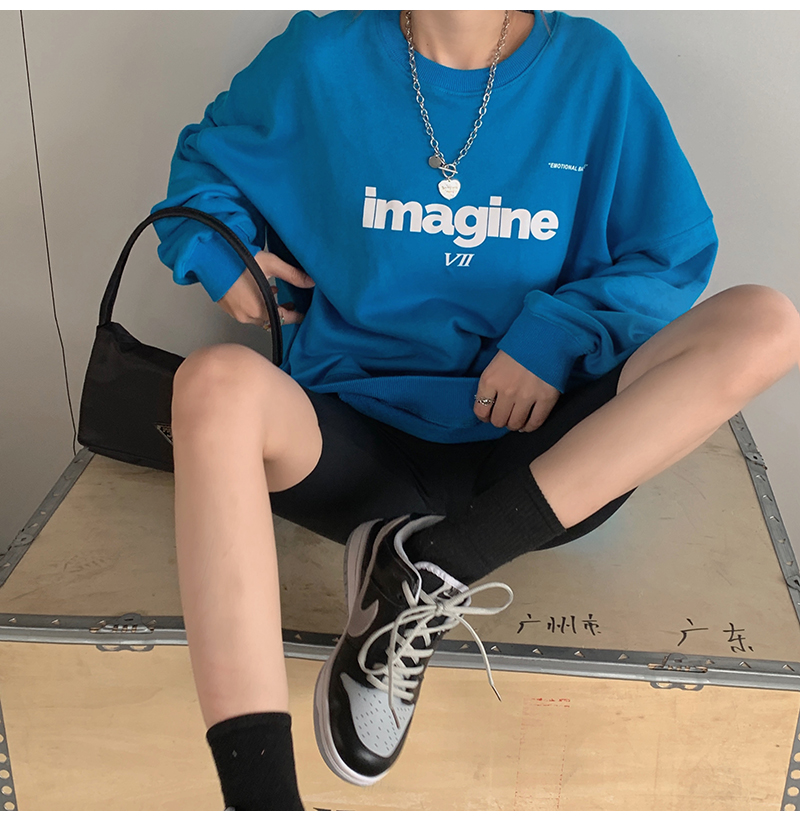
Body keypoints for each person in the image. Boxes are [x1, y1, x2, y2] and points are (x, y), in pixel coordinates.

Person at [151, 9, 800, 812]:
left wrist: (556, 334)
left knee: (767, 322)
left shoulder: (590, 69)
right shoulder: (321, 57)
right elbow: (201, 172)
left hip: (536, 466)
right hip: (356, 441)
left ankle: (432, 568)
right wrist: (223, 258)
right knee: (210, 384)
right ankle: (261, 801)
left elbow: (669, 253)